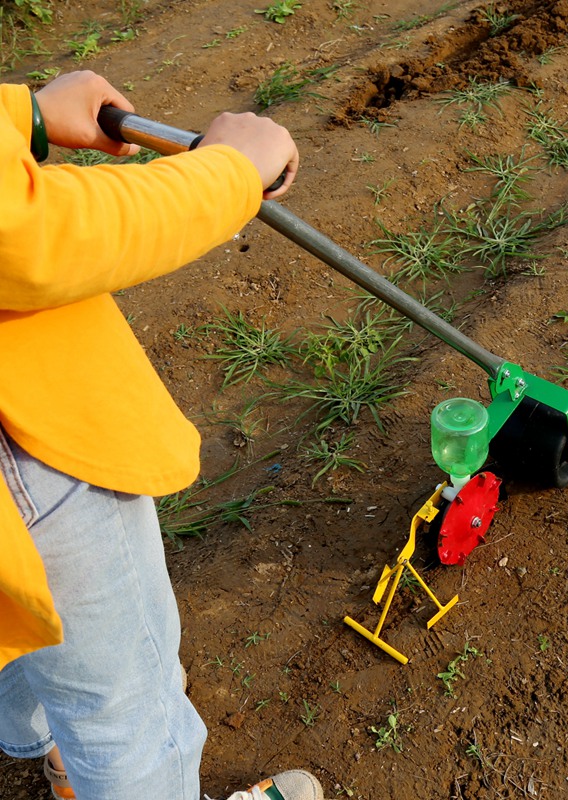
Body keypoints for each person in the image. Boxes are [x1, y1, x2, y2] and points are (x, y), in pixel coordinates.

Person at [0, 70, 324, 800]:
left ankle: (50, 745)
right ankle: (97, 762)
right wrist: (229, 172)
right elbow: (20, 235)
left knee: (25, 621)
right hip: (25, 442)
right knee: (128, 716)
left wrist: (25, 117)